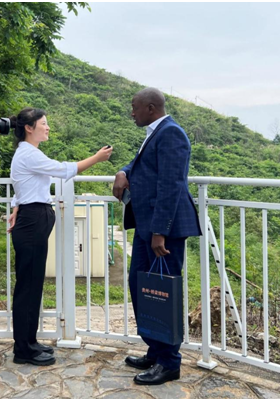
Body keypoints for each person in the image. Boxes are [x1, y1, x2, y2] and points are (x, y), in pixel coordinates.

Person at [7, 108, 113, 366]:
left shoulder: (28, 152)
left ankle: (29, 342)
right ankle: (23, 349)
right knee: (28, 287)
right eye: (43, 123)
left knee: (32, 285)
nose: (48, 128)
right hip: (32, 221)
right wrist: (97, 158)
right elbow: (64, 170)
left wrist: (16, 205)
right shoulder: (29, 153)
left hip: (33, 218)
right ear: (29, 128)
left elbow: (23, 187)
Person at [112, 88, 201, 386]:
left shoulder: (171, 133)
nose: (131, 112)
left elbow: (171, 184)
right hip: (146, 227)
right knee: (141, 287)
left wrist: (160, 232)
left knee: (164, 294)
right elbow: (141, 166)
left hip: (164, 231)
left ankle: (169, 362)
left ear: (150, 108)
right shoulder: (156, 132)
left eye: (134, 107)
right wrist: (123, 171)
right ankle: (155, 349)